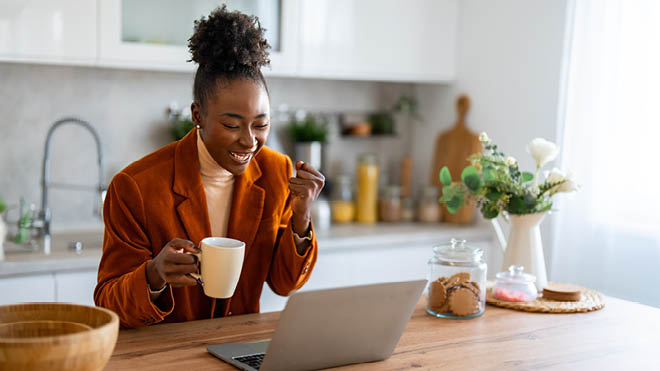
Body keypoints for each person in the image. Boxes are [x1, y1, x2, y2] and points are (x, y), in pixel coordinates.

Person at [94, 5, 324, 328]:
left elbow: (285, 284)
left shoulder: (276, 173)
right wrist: (154, 275)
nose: (250, 141)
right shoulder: (135, 187)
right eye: (232, 125)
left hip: (240, 350)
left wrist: (302, 216)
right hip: (168, 357)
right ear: (197, 115)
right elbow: (108, 302)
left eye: (261, 124)